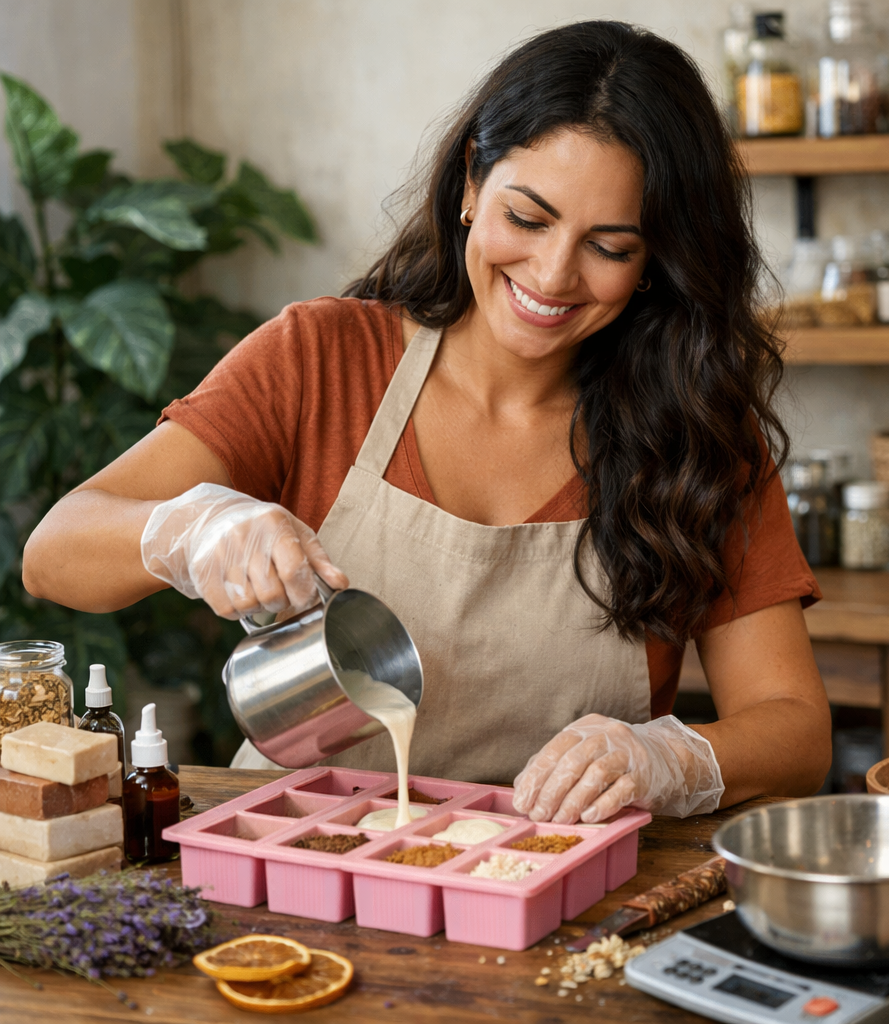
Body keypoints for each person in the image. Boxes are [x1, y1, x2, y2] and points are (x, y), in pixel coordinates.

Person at [23, 21, 830, 825]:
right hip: (297, 857)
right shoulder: (321, 360)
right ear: (471, 182)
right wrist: (193, 529)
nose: (553, 274)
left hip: (556, 877)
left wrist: (669, 758)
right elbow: (53, 553)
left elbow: (795, 730)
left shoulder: (693, 432)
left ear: (656, 259)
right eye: (529, 218)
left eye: (609, 247)